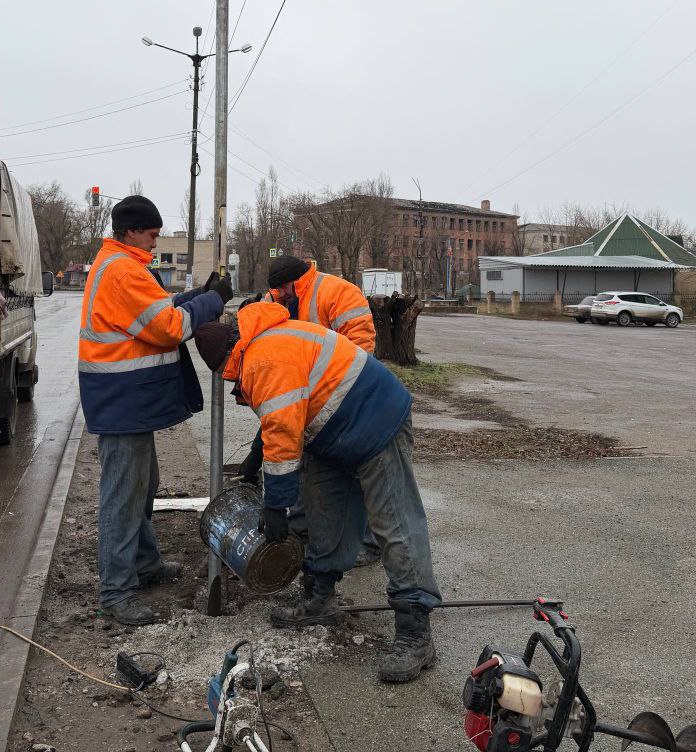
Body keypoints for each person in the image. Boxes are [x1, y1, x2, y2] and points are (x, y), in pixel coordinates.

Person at [192, 302, 441, 683]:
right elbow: (285, 415)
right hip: (333, 431)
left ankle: (414, 632)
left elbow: (283, 431)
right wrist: (256, 456)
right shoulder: (261, 344)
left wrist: (275, 506)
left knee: (395, 525)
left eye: (228, 378)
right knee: (325, 514)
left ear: (227, 362)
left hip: (376, 422)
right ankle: (319, 599)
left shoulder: (261, 361)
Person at [78, 194, 233, 626]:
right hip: (122, 399)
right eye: (151, 234)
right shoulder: (124, 270)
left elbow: (158, 309)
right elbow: (167, 328)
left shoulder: (122, 264)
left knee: (144, 487)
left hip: (126, 399)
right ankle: (117, 591)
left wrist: (199, 294)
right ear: (130, 231)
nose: (155, 241)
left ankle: (144, 565)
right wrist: (213, 302)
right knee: (124, 498)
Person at [239, 256, 381, 566]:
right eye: (275, 293)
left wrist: (332, 396)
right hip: (302, 397)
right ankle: (301, 528)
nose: (279, 297)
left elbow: (361, 351)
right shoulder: (276, 296)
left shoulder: (339, 293)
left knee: (356, 472)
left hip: (341, 397)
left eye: (283, 291)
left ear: (294, 282)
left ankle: (370, 542)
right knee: (297, 462)